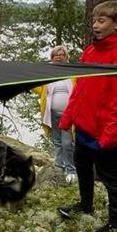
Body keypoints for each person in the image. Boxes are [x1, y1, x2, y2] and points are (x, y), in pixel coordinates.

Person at [57, 1, 117, 232]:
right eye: (94, 20)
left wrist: (110, 137)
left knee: (111, 177)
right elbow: (80, 89)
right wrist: (68, 118)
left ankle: (116, 224)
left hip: (103, 132)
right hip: (84, 127)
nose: (95, 25)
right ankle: (86, 204)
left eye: (102, 21)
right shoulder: (91, 52)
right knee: (82, 168)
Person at [34, 46, 76, 183]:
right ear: (52, 58)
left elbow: (81, 88)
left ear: (66, 57)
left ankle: (70, 170)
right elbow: (39, 89)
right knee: (57, 142)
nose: (59, 57)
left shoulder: (73, 73)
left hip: (69, 114)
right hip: (52, 113)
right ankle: (59, 167)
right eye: (56, 55)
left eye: (62, 54)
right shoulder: (48, 74)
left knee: (67, 143)